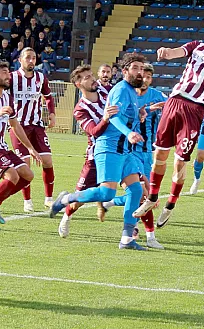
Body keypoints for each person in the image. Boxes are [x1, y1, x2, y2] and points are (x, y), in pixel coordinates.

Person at [130, 20, 204, 227]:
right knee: (159, 154)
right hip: (174, 102)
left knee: (180, 161)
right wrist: (165, 51)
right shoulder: (196, 46)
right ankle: (152, 198)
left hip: (195, 108)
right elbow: (175, 52)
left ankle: (170, 204)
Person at [51, 54, 148, 250]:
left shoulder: (114, 91)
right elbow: (106, 123)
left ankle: (127, 239)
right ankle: (66, 199)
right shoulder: (88, 105)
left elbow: (121, 113)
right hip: (105, 148)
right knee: (105, 193)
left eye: (141, 69)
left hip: (124, 149)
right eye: (135, 68)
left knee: (137, 190)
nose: (140, 72)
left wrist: (139, 114)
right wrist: (126, 131)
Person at [98, 62, 167, 246]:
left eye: (148, 76)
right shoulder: (126, 93)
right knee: (144, 194)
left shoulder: (155, 95)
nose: (144, 79)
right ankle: (143, 235)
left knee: (141, 194)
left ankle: (111, 206)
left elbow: (169, 105)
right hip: (129, 150)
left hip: (147, 150)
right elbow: (116, 117)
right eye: (141, 75)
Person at [0, 60, 42, 230]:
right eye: (4, 73)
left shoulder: (7, 97)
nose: (8, 76)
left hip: (1, 147)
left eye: (8, 72)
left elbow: (15, 126)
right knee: (12, 176)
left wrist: (30, 148)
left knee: (27, 175)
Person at [54, 65, 116, 238]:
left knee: (137, 188)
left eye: (91, 75)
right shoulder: (80, 110)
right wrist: (105, 119)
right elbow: (94, 131)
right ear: (78, 84)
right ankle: (67, 214)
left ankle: (132, 232)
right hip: (96, 155)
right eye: (87, 77)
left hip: (119, 150)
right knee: (80, 197)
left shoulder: (105, 91)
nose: (93, 78)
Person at [8, 48, 57, 212]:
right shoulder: (12, 78)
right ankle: (27, 201)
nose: (31, 61)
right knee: (25, 164)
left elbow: (48, 97)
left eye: (34, 58)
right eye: (27, 57)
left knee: (47, 161)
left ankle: (49, 199)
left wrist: (52, 114)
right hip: (18, 126)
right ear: (20, 60)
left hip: (36, 125)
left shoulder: (41, 78)